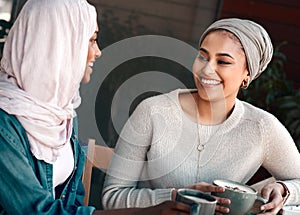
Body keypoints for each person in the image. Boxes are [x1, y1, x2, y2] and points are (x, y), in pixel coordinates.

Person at [0, 0, 191, 214]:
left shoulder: (62, 112)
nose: (98, 52)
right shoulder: (4, 123)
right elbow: (34, 211)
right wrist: (146, 212)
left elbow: (73, 197)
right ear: (59, 44)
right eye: (90, 40)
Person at [102, 18, 300, 215]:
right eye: (203, 57)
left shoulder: (261, 127)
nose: (206, 70)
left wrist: (284, 190)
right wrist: (176, 197)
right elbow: (112, 198)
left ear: (247, 73)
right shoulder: (153, 111)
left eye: (223, 61)